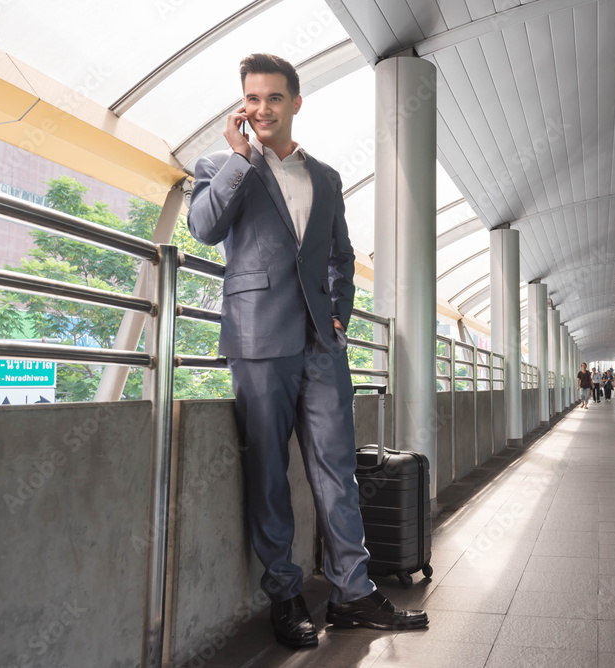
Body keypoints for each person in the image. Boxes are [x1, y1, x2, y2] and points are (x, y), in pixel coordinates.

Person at [187, 53, 427, 648]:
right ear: (242, 106)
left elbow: (341, 256)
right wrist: (240, 161)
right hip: (258, 340)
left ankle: (353, 591)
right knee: (268, 473)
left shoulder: (324, 177)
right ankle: (286, 594)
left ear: (296, 102)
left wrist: (341, 317)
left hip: (323, 344)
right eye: (251, 99)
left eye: (272, 98)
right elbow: (203, 227)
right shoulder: (220, 164)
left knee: (339, 472)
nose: (261, 109)